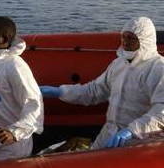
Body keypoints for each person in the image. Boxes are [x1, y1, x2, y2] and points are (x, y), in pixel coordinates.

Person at [40, 17, 164, 149]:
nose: (125, 42)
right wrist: (60, 91)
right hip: (110, 133)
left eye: (131, 38)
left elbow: (161, 112)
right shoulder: (118, 65)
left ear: (145, 40)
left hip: (139, 141)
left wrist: (132, 131)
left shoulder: (158, 69)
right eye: (123, 37)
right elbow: (94, 91)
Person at [0, 17, 44, 160]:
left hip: (10, 147)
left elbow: (34, 104)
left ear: (4, 39)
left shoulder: (15, 66)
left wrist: (14, 133)